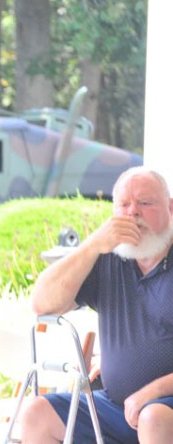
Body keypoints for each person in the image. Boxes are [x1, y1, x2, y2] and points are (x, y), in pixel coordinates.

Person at [17, 166, 173, 443]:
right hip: (115, 405)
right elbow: (42, 304)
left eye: (145, 203)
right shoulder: (109, 258)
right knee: (36, 414)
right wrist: (92, 245)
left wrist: (151, 392)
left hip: (161, 408)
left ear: (170, 207)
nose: (133, 212)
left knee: (152, 417)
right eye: (123, 205)